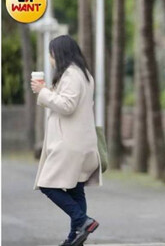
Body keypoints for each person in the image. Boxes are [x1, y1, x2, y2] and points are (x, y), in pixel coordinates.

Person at [31, 35, 101, 246]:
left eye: (51, 54)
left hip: (69, 144)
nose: (50, 59)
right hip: (80, 142)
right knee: (75, 188)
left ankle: (82, 220)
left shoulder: (71, 74)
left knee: (47, 185)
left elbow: (67, 106)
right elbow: (72, 102)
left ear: (58, 54)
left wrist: (43, 92)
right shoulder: (83, 74)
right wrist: (50, 91)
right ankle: (75, 236)